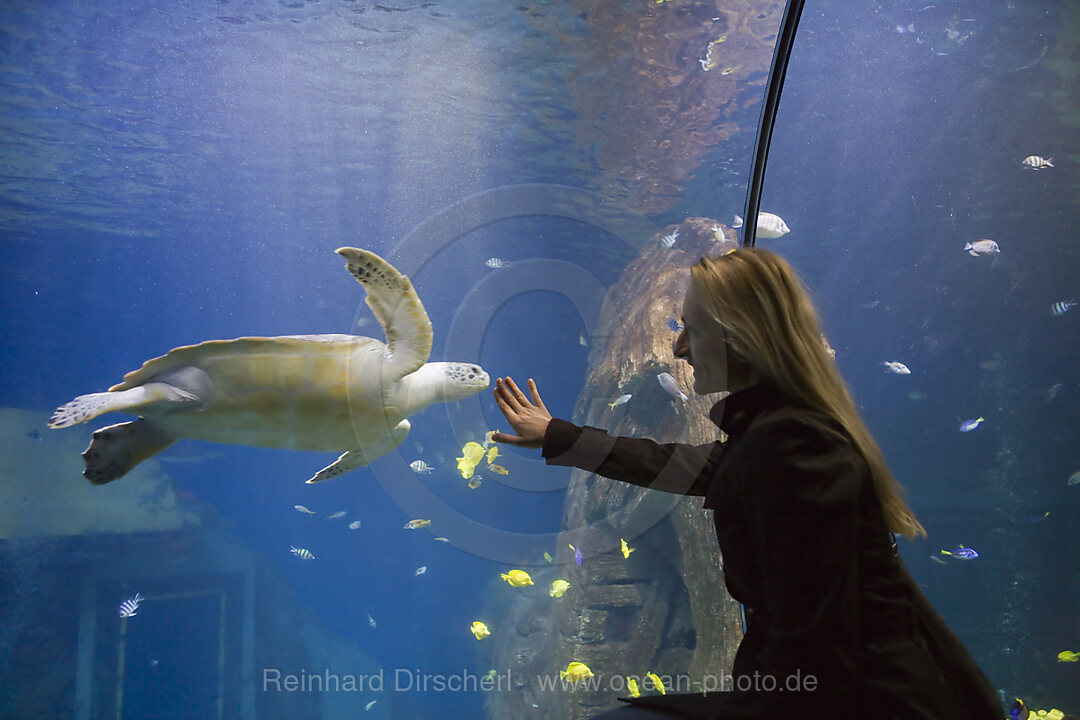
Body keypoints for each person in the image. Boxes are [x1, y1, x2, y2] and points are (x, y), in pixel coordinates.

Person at [492, 248, 1001, 719]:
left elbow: (818, 645)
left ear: (738, 335)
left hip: (868, 701)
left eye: (691, 328)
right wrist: (558, 436)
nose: (679, 346)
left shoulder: (797, 446)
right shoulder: (779, 432)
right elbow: (682, 465)